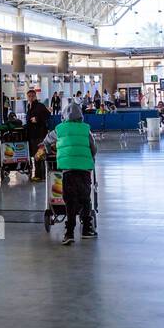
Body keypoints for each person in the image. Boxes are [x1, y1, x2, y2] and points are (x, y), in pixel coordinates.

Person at [39, 101, 97, 245]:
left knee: (70, 201)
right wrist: (89, 156)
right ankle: (86, 229)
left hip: (68, 170)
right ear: (80, 116)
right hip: (84, 169)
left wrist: (49, 152)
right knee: (85, 198)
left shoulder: (59, 129)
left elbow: (45, 142)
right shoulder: (86, 129)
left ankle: (69, 233)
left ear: (64, 116)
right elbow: (93, 148)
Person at [24, 89, 52, 182]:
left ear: (35, 96)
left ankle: (41, 176)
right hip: (32, 135)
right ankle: (38, 175)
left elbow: (48, 115)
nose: (31, 98)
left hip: (39, 135)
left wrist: (37, 119)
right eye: (29, 96)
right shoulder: (29, 106)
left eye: (32, 96)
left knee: (39, 155)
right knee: (35, 156)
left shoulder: (40, 106)